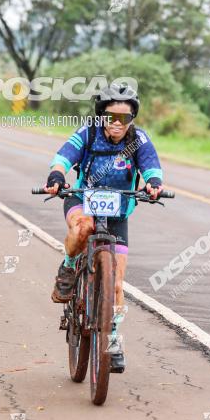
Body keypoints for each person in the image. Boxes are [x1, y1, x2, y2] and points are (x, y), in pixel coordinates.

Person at [44, 83, 164, 369]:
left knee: (117, 285)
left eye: (125, 118)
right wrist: (57, 176)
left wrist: (153, 184)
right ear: (102, 116)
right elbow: (64, 157)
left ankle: (111, 339)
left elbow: (151, 167)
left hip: (118, 211)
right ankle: (70, 266)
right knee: (82, 230)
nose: (118, 124)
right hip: (82, 199)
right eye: (112, 117)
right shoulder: (88, 133)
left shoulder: (139, 139)